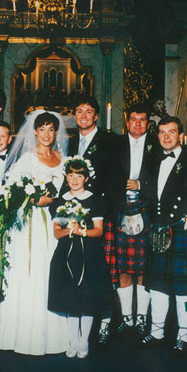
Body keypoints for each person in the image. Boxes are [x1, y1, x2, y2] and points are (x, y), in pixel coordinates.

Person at [0, 110, 70, 355]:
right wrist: (33, 200)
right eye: (42, 129)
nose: (47, 134)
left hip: (52, 222)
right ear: (35, 132)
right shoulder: (27, 159)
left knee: (49, 268)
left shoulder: (62, 158)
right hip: (29, 222)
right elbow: (11, 192)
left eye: (51, 129)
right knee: (27, 269)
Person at [65, 94, 123, 349]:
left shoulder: (111, 141)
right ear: (74, 115)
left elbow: (116, 180)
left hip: (99, 214)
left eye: (89, 111)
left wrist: (103, 210)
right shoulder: (69, 142)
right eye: (79, 111)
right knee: (78, 270)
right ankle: (78, 328)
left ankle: (106, 323)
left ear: (96, 116)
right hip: (73, 215)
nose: (84, 115)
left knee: (102, 272)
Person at [140, 115, 187, 356]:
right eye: (162, 132)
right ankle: (157, 332)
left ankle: (184, 335)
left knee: (183, 287)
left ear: (181, 135)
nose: (166, 136)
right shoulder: (152, 159)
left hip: (180, 227)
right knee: (157, 284)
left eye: (171, 132)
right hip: (156, 226)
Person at [101, 102, 159, 343]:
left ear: (148, 123)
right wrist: (121, 201)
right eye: (134, 119)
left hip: (147, 208)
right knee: (124, 267)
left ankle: (142, 317)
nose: (138, 123)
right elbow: (105, 175)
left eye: (143, 119)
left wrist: (141, 186)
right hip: (120, 207)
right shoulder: (114, 144)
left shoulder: (157, 146)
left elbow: (160, 178)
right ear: (126, 121)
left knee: (143, 267)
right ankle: (126, 318)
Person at [48, 156, 113, 359]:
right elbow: (57, 232)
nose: (74, 180)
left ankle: (84, 340)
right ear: (66, 178)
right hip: (66, 254)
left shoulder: (95, 200)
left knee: (87, 297)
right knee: (70, 296)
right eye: (70, 175)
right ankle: (73, 340)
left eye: (79, 176)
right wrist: (69, 231)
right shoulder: (60, 201)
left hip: (89, 254)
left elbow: (99, 231)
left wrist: (81, 231)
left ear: (86, 178)